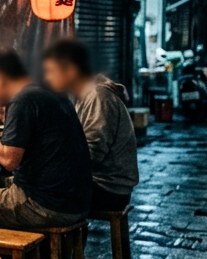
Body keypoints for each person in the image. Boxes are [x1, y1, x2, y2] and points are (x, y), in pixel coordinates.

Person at [0, 47, 92, 239]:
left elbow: (9, 160)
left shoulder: (22, 100)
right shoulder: (43, 90)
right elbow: (38, 133)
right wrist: (3, 116)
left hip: (47, 204)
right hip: (75, 200)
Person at [42, 38, 139, 213]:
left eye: (51, 71)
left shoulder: (97, 96)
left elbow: (92, 153)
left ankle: (62, 239)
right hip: (95, 181)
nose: (47, 77)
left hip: (108, 188)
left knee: (36, 194)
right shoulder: (78, 94)